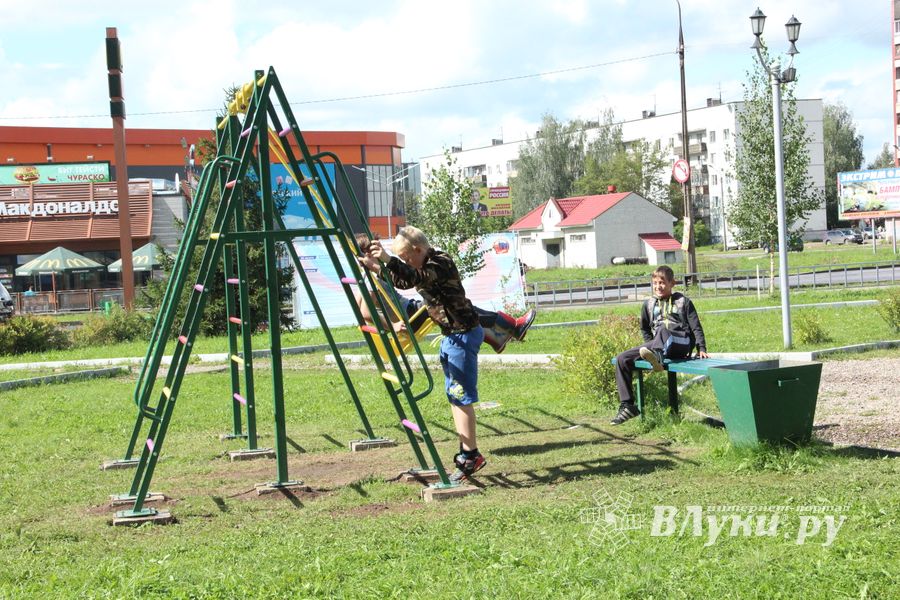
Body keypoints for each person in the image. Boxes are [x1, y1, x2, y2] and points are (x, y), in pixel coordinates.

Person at [359, 226, 487, 482]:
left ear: (418, 250)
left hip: (463, 334)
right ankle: (468, 452)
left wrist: (388, 260)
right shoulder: (423, 264)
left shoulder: (440, 262)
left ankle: (471, 455)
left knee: (461, 397)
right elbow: (404, 280)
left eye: (407, 258)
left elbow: (417, 277)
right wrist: (378, 267)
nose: (406, 263)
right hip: (453, 334)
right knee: (455, 396)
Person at [353, 233, 534, 354]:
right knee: (451, 307)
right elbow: (364, 312)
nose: (379, 252)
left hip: (412, 309)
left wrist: (379, 267)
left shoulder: (371, 275)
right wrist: (392, 326)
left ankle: (497, 336)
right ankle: (510, 327)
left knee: (455, 307)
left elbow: (403, 281)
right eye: (374, 250)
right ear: (367, 254)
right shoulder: (367, 279)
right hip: (410, 317)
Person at [610, 265, 708, 425]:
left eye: (662, 283)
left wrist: (701, 348)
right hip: (660, 345)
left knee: (663, 330)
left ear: (672, 283)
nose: (658, 287)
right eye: (655, 283)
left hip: (681, 342)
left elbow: (695, 326)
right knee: (622, 358)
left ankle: (655, 354)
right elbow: (645, 327)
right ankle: (627, 405)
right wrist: (649, 343)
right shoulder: (649, 304)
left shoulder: (683, 301)